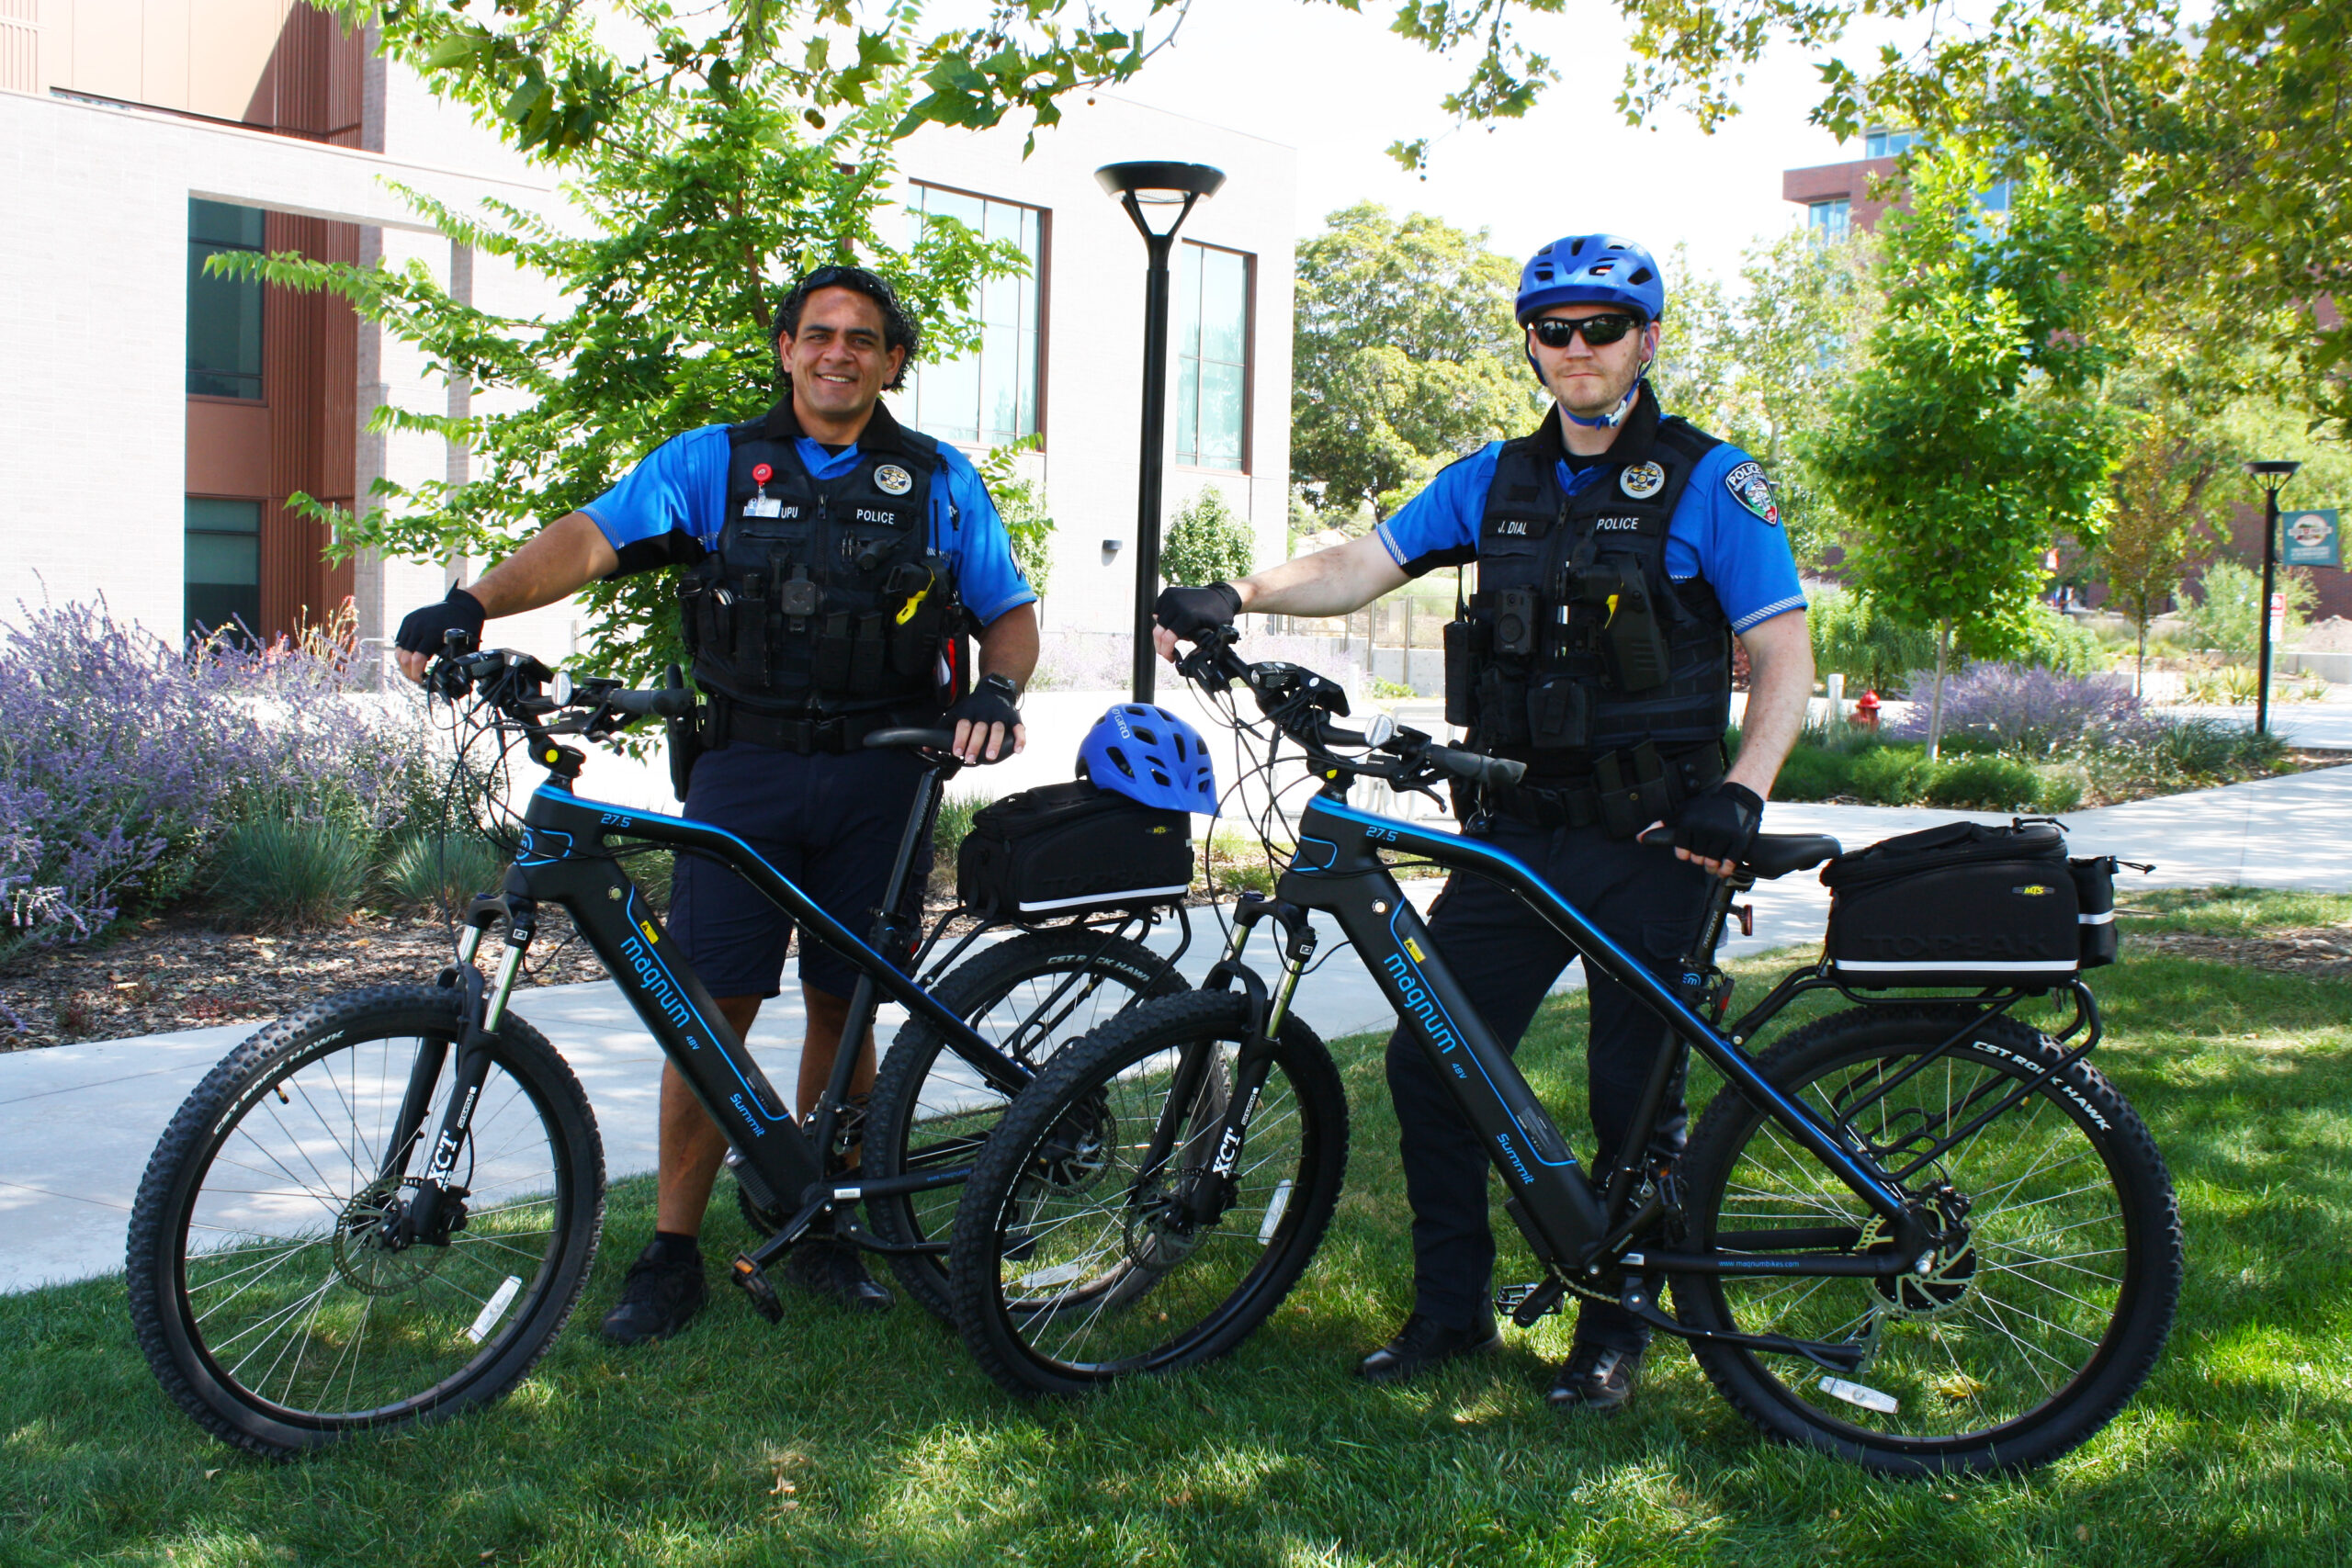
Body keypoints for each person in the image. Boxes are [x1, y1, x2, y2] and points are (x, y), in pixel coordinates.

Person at [1155, 233, 1812, 1415]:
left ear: (1645, 341)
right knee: (1433, 1062)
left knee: (1631, 1092)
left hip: (1660, 840)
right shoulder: (1492, 481)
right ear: (1531, 343)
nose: (1576, 349)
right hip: (1512, 834)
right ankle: (1449, 1315)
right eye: (1553, 330)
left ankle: (1613, 1333)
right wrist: (1240, 593)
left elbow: (1782, 654)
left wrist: (1743, 792)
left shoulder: (1713, 482)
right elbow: (1362, 563)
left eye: (1601, 328)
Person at [393, 265, 1040, 1344]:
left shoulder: (937, 479)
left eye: (864, 339)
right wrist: (471, 602)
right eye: (819, 333)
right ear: (785, 347)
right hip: (744, 773)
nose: (839, 352)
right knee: (709, 1010)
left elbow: (1006, 611)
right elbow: (590, 538)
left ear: (891, 362)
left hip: (887, 774)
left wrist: (997, 685)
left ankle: (824, 1215)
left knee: (846, 1005)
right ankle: (672, 1251)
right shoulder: (713, 466)